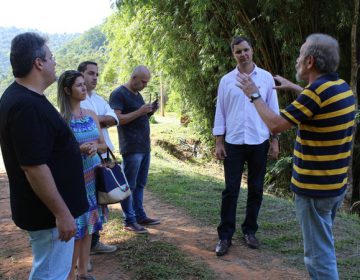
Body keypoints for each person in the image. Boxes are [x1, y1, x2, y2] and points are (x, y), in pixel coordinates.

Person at [236, 33, 355, 280]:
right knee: (324, 244)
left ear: (310, 61)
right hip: (334, 188)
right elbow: (321, 104)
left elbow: (276, 124)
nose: (297, 60)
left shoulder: (314, 94)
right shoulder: (341, 88)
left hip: (314, 190)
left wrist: (254, 94)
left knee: (318, 256)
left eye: (301, 55)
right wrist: (296, 87)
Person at [0, 32, 88, 279]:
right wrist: (62, 213)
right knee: (50, 274)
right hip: (48, 216)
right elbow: (34, 166)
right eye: (51, 57)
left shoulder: (25, 98)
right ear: (38, 63)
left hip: (48, 213)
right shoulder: (26, 105)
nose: (54, 62)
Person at [213, 36, 280, 256]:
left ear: (252, 50)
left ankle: (250, 231)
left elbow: (273, 110)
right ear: (233, 54)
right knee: (230, 190)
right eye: (238, 51)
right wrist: (219, 141)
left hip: (259, 140)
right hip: (233, 143)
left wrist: (275, 140)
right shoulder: (226, 80)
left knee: (256, 189)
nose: (243, 54)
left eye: (246, 50)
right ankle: (225, 236)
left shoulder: (266, 78)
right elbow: (220, 111)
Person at [57, 70, 108, 280]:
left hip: (94, 175)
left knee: (88, 227)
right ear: (67, 90)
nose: (84, 87)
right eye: (79, 85)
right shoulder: (61, 119)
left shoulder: (91, 114)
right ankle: (70, 275)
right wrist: (78, 150)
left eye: (83, 84)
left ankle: (83, 273)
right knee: (77, 230)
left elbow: (104, 145)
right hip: (75, 179)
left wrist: (95, 147)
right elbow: (57, 153)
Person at [109, 65, 160, 233]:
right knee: (129, 185)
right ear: (134, 78)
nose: (145, 85)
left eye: (147, 82)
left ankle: (140, 215)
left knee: (140, 184)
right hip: (131, 147)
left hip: (144, 146)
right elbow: (117, 118)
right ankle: (129, 220)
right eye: (143, 82)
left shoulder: (137, 94)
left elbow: (138, 115)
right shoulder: (118, 94)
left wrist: (149, 111)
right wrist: (140, 111)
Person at [77, 61, 118, 257]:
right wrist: (99, 119)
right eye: (90, 73)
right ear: (80, 75)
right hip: (85, 162)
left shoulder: (98, 100)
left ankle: (94, 242)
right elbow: (105, 119)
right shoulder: (78, 102)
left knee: (100, 200)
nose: (94, 78)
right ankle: (86, 248)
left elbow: (114, 119)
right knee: (87, 202)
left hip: (102, 155)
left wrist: (96, 119)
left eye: (97, 74)